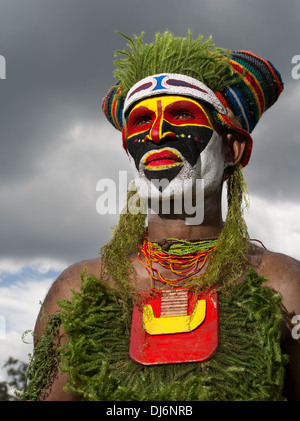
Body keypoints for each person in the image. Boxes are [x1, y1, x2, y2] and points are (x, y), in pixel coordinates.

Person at [20, 31, 300, 401]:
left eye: (182, 115)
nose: (156, 134)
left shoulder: (281, 286)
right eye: (139, 121)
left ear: (234, 148)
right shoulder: (78, 291)